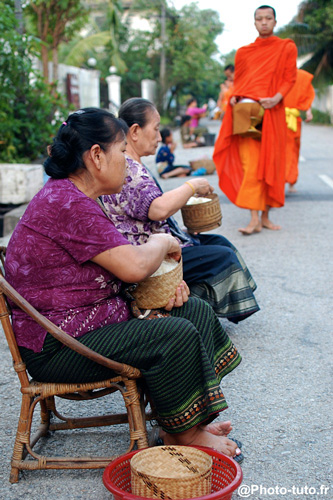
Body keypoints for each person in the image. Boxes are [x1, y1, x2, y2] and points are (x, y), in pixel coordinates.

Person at [4, 107, 242, 458]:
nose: (126, 163)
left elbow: (118, 269)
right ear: (96, 156)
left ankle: (183, 422)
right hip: (59, 346)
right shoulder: (68, 203)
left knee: (194, 311)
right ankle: (185, 437)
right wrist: (163, 242)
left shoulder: (75, 196)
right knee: (174, 333)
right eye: (120, 152)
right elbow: (132, 267)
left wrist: (156, 292)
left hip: (85, 326)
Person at [101, 98, 260, 323]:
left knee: (219, 243)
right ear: (135, 131)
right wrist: (192, 186)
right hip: (150, 253)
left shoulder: (134, 164)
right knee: (221, 256)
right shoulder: (129, 167)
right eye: (155, 130)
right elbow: (157, 209)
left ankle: (206, 306)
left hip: (162, 242)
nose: (159, 137)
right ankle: (199, 309)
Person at [213, 5, 297, 235]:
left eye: (268, 18)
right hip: (247, 113)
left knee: (271, 162)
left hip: (273, 111)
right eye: (259, 19)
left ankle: (266, 216)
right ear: (254, 22)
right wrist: (233, 98)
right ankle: (253, 218)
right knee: (250, 164)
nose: (264, 22)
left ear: (275, 21)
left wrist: (276, 98)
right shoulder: (244, 52)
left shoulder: (286, 47)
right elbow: (239, 83)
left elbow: (290, 78)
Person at [284, 69, 315, 193]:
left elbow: (308, 95)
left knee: (293, 150)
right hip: (277, 119)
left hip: (293, 121)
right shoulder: (276, 73)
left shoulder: (301, 76)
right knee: (281, 151)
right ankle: (281, 181)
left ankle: (291, 181)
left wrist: (308, 111)